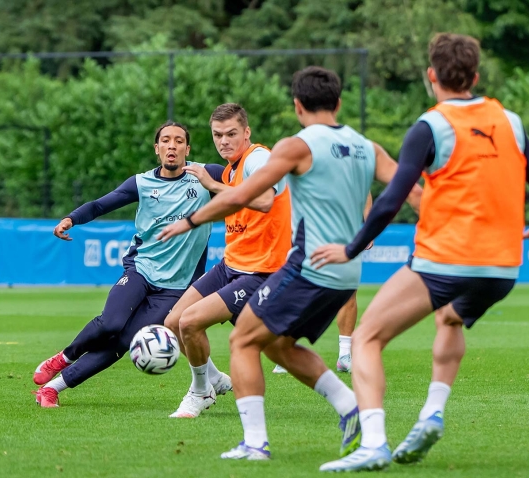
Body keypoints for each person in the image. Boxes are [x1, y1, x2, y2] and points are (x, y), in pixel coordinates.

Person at [314, 33, 529, 472]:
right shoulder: (511, 121)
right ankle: (432, 413)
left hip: (444, 259)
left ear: (432, 76)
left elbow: (391, 199)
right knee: (450, 318)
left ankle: (374, 444)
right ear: (476, 76)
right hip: (503, 266)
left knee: (367, 337)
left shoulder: (431, 125)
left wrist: (351, 247)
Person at [157, 66, 422, 462]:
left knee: (243, 341)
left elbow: (242, 196)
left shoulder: (296, 146)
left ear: (298, 106)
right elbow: (411, 193)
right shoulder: (368, 147)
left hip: (307, 266)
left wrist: (190, 220)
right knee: (278, 345)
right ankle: (350, 407)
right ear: (339, 103)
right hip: (345, 271)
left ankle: (255, 443)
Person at [32, 121, 223, 408]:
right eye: (166, 141)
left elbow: (246, 185)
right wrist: (71, 218)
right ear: (157, 149)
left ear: (188, 148)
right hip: (141, 269)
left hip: (177, 287)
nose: (172, 146)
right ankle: (64, 357)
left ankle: (52, 388)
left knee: (124, 343)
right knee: (111, 322)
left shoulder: (206, 175)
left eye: (179, 141)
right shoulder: (142, 182)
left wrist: (216, 185)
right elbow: (100, 205)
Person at [164, 103, 291, 418]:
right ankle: (214, 380)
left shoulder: (257, 158)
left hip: (260, 271)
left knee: (190, 323)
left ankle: (200, 392)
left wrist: (214, 186)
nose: (224, 141)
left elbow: (263, 199)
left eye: (232, 134)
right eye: (218, 135)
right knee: (172, 323)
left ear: (246, 132)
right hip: (231, 265)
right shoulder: (232, 168)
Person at [272, 196, 373, 375]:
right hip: (308, 231)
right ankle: (285, 349)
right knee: (297, 289)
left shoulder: (351, 167)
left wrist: (368, 227)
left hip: (346, 231)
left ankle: (344, 355)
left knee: (348, 292)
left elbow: (364, 193)